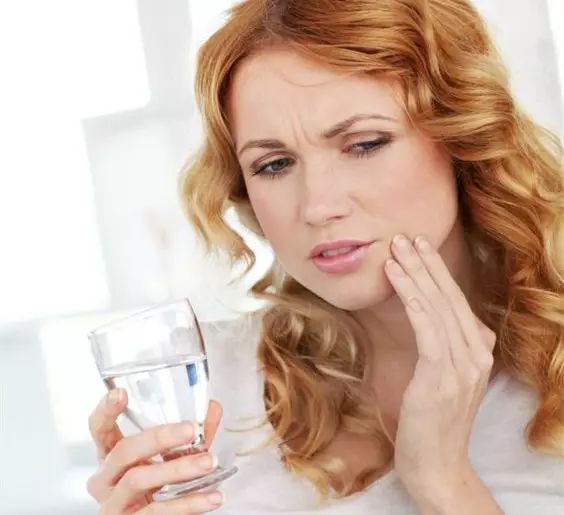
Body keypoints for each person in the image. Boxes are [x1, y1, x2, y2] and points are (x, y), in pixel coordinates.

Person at [86, 0, 564, 513]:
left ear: (461, 136)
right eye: (274, 164)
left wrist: (441, 480)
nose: (317, 206)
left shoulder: (549, 375)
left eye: (364, 144)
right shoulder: (209, 392)